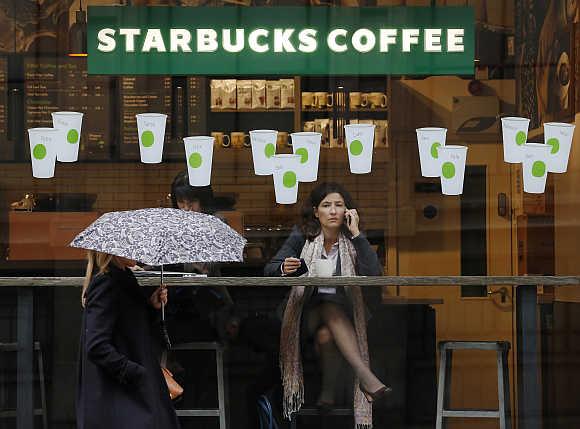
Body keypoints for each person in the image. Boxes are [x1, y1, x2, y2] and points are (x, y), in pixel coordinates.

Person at [264, 182, 390, 428]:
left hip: (342, 320)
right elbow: (270, 268)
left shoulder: (352, 240)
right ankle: (365, 377)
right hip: (303, 317)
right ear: (315, 212)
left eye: (339, 205)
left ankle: (327, 394)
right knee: (325, 306)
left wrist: (357, 234)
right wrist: (284, 267)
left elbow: (374, 275)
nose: (333, 211)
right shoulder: (302, 236)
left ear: (348, 212)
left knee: (326, 335)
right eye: (326, 205)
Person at [76, 250, 180, 429]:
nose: (139, 252)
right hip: (121, 399)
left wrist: (152, 306)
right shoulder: (107, 284)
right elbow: (96, 346)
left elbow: (129, 326)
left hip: (130, 395)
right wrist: (136, 373)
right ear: (113, 252)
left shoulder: (124, 279)